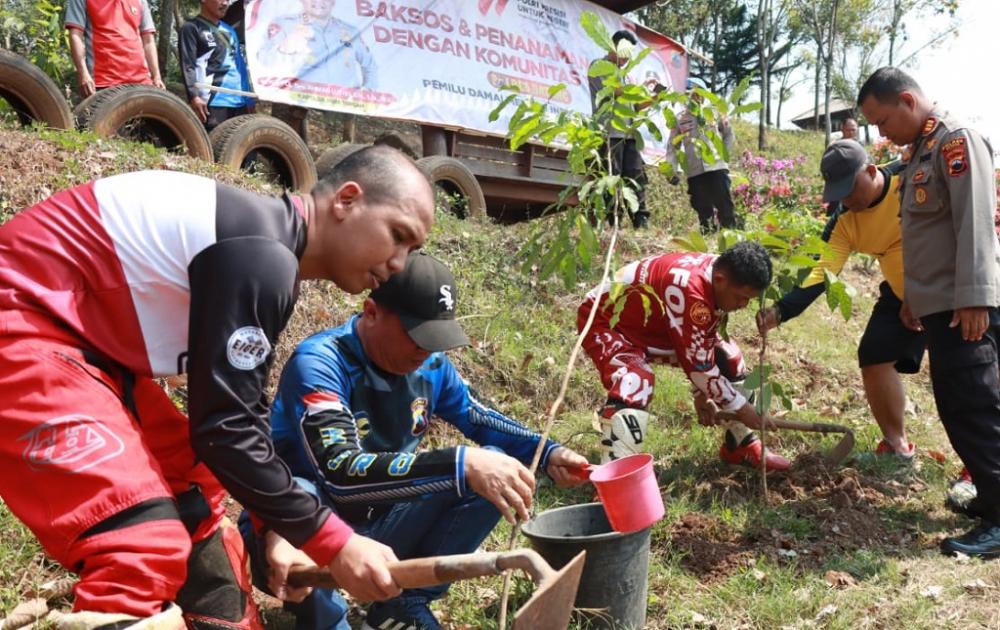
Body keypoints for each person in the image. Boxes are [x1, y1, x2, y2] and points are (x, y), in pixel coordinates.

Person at [0, 145, 435, 628]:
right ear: (347, 200)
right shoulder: (261, 255)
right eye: (398, 236)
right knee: (139, 545)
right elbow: (224, 430)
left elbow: (242, 417)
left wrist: (276, 528)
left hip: (86, 349)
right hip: (23, 325)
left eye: (412, 250)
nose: (399, 262)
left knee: (194, 487)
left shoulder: (268, 253)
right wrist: (335, 542)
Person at [242, 251, 590, 630]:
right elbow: (339, 472)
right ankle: (326, 619)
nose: (426, 350)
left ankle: (403, 604)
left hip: (382, 521)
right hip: (294, 533)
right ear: (371, 312)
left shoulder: (431, 366)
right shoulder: (322, 363)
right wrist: (461, 465)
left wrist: (550, 450)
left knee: (497, 464)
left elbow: (479, 417)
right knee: (304, 489)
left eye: (435, 338)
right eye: (416, 335)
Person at [858, 66, 1000, 558]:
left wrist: (976, 295)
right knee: (959, 404)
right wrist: (915, 299)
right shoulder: (921, 150)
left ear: (906, 100)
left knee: (974, 406)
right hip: (940, 305)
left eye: (881, 120)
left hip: (966, 307)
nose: (881, 133)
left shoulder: (955, 142)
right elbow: (924, 236)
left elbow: (976, 221)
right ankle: (989, 495)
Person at [757, 139, 923, 460]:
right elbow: (821, 273)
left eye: (850, 189)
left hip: (947, 283)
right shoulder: (845, 221)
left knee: (957, 371)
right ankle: (896, 448)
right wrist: (780, 311)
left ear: (872, 170)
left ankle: (979, 467)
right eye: (839, 193)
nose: (846, 199)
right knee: (874, 353)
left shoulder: (911, 177)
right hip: (900, 293)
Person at [578, 241, 790, 472]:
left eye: (749, 300)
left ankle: (740, 446)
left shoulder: (719, 274)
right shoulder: (692, 291)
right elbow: (700, 366)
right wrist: (742, 409)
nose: (743, 305)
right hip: (607, 322)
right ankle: (616, 475)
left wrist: (702, 394)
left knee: (729, 357)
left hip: (658, 326)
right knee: (635, 380)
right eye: (741, 297)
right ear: (720, 280)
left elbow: (702, 345)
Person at [588, 29, 651, 229]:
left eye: (630, 54)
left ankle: (641, 222)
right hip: (609, 134)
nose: (627, 58)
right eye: (624, 52)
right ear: (613, 46)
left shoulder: (628, 77)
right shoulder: (599, 66)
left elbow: (636, 105)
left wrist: (654, 97)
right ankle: (613, 224)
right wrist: (639, 89)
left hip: (629, 135)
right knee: (611, 178)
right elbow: (616, 92)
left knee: (636, 177)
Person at [668, 76, 739, 233]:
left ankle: (730, 237)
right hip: (695, 170)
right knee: (702, 208)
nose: (694, 97)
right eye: (690, 94)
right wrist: (672, 169)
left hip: (716, 166)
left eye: (697, 93)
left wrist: (724, 155)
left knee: (725, 205)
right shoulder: (680, 118)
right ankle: (708, 238)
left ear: (704, 95)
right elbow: (672, 146)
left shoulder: (715, 113)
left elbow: (728, 134)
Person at [258, 0, 378, 90]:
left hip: (344, 106)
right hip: (296, 101)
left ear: (333, 2)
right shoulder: (285, 24)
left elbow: (370, 65)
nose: (318, 1)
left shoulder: (350, 31)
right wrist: (283, 49)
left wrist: (368, 91)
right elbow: (263, 60)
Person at [179, 0, 256, 131]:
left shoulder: (230, 30)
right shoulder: (191, 28)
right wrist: (194, 96)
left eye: (228, 0)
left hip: (239, 102)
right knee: (213, 148)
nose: (225, 3)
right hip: (212, 102)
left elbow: (239, 65)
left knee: (243, 149)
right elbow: (188, 65)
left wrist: (249, 98)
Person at [65, 0, 164, 98]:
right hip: (102, 83)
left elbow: (148, 41)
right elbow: (76, 35)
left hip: (142, 81)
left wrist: (156, 77)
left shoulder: (140, 1)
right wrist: (83, 74)